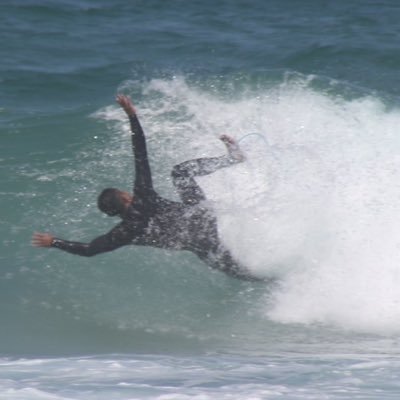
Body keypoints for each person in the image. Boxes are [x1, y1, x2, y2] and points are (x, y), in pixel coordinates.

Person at [32, 95, 259, 281]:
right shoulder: (143, 197)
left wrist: (54, 242)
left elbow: (90, 249)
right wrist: (132, 116)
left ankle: (277, 284)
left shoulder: (123, 233)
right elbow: (140, 153)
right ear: (125, 197)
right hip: (202, 217)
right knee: (180, 173)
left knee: (242, 274)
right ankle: (232, 159)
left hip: (201, 244)